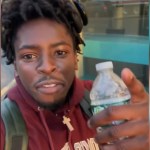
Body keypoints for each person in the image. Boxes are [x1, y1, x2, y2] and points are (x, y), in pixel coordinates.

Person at [1, 0, 149, 150]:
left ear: (75, 59)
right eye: (28, 56)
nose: (46, 67)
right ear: (15, 66)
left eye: (60, 52)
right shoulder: (4, 125)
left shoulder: (104, 99)